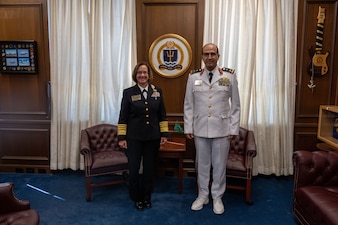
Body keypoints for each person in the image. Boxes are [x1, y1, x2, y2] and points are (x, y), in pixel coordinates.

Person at [184, 43, 240, 214]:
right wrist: (188, 127)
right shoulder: (193, 77)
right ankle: (203, 195)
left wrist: (233, 128)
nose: (209, 57)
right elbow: (188, 104)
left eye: (212, 54)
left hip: (222, 130)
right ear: (202, 56)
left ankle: (217, 197)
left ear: (218, 56)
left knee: (219, 165)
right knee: (202, 165)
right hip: (200, 129)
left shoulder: (229, 76)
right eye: (206, 54)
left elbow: (236, 105)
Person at [117, 62, 169, 211]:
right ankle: (136, 198)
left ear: (149, 75)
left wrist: (164, 134)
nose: (142, 75)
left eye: (145, 73)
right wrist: (121, 137)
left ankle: (146, 198)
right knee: (133, 170)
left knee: (149, 170)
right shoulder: (128, 92)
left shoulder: (157, 91)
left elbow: (162, 115)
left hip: (152, 138)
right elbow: (123, 117)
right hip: (134, 139)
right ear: (136, 75)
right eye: (140, 72)